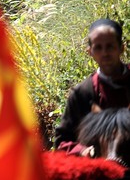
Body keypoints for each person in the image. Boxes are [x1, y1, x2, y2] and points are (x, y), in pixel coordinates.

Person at [54, 19, 130, 154]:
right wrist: (84, 151)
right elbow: (62, 141)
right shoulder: (83, 93)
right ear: (90, 52)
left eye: (110, 46)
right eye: (98, 47)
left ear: (121, 48)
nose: (105, 53)